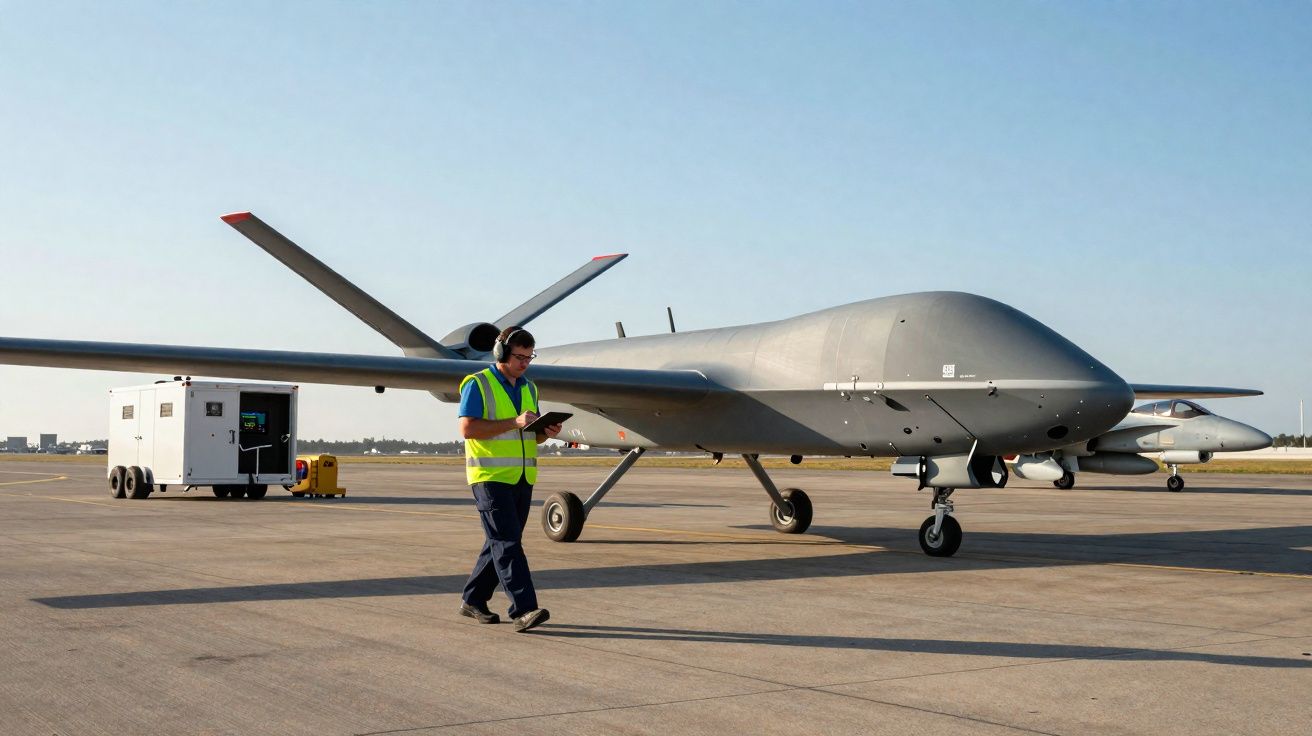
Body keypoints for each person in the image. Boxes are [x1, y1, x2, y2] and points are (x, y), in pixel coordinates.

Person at [456, 326, 562, 632]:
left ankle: (473, 599)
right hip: (489, 476)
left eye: (529, 357)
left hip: (522, 476)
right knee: (508, 543)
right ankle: (524, 609)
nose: (525, 363)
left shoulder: (530, 388)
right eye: (519, 357)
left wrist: (546, 431)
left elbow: (533, 437)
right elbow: (468, 430)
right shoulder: (478, 384)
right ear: (501, 352)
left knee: (500, 542)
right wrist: (513, 422)